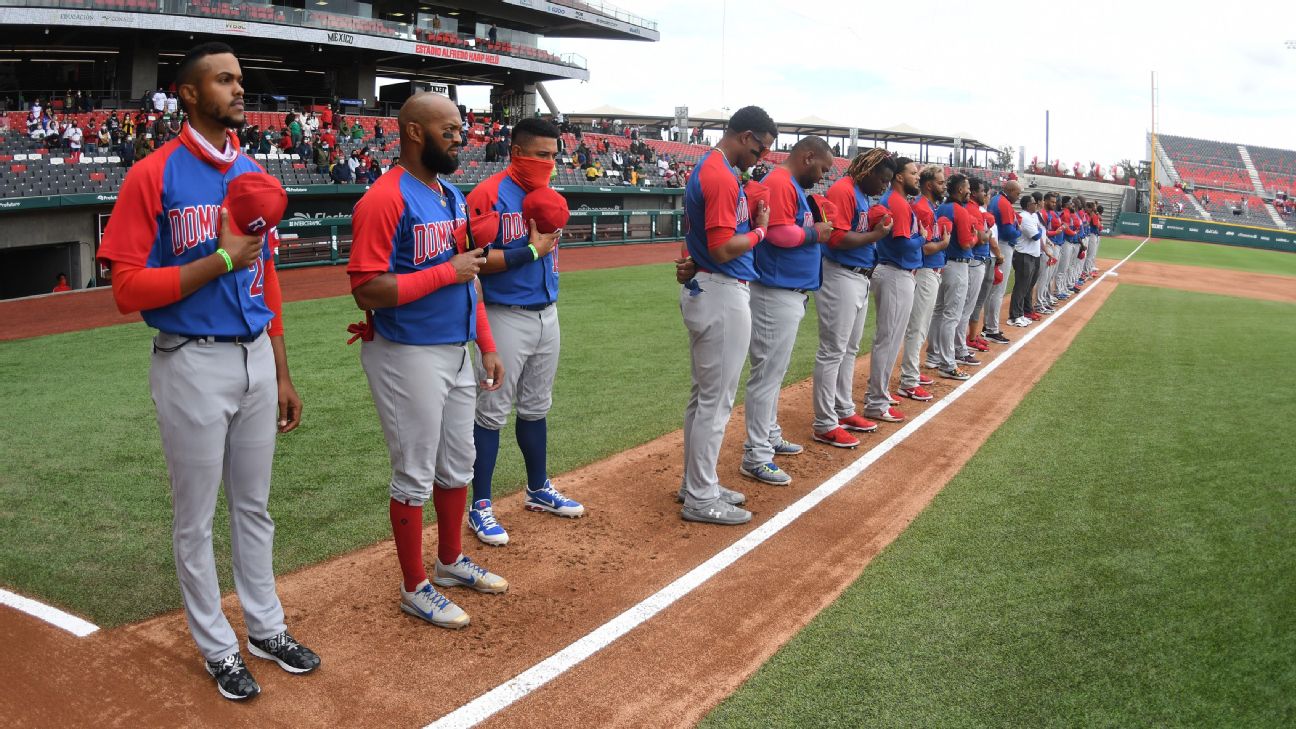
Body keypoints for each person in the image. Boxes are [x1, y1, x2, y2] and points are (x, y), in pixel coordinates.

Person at [96, 42, 319, 702]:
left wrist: (281, 369)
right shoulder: (153, 174)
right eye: (224, 80)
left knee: (254, 506)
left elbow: (267, 276)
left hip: (253, 354)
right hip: (189, 359)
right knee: (195, 518)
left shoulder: (251, 169)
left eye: (240, 79)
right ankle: (218, 645)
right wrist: (220, 259)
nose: (238, 89)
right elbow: (127, 289)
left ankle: (265, 627)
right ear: (189, 94)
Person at [346, 92, 509, 632]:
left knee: (457, 462)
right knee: (414, 472)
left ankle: (449, 561)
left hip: (456, 348)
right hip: (405, 352)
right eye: (451, 129)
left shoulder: (452, 195)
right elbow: (367, 290)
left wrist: (485, 343)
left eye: (461, 129)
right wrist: (448, 271)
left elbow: (471, 279)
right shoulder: (383, 199)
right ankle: (414, 586)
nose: (461, 137)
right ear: (414, 133)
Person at [465, 117, 581, 546]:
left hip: (546, 310)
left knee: (536, 406)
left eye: (554, 156)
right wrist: (530, 250)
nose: (549, 163)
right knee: (490, 412)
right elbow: (474, 259)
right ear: (517, 153)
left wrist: (538, 254)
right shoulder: (489, 194)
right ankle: (480, 506)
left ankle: (537, 488)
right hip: (503, 313)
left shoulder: (550, 196)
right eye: (540, 155)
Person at [675, 105, 776, 525]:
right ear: (745, 135)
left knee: (705, 398)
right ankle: (700, 497)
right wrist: (760, 231)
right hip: (720, 290)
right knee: (715, 402)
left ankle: (697, 484)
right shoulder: (717, 174)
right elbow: (720, 248)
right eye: (761, 149)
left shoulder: (714, 169)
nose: (762, 158)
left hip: (711, 287)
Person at [737, 136, 835, 486]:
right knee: (766, 374)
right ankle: (756, 455)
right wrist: (815, 233)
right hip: (773, 290)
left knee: (774, 372)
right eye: (822, 168)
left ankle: (769, 435)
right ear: (808, 157)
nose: (822, 177)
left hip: (786, 290)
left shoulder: (788, 183)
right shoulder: (780, 182)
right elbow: (777, 234)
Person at [811, 149, 895, 447]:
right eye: (882, 180)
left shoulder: (859, 193)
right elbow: (837, 238)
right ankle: (824, 422)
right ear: (867, 171)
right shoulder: (843, 190)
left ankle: (843, 409)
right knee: (833, 349)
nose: (884, 187)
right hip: (839, 273)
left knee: (849, 348)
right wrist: (876, 236)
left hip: (858, 276)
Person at [862, 158, 923, 422]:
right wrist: (923, 237)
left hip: (894, 272)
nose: (917, 177)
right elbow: (902, 245)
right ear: (899, 177)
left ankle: (879, 395)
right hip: (896, 272)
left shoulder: (897, 201)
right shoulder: (897, 202)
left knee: (889, 339)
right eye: (912, 173)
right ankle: (877, 401)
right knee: (888, 340)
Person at [897, 164, 950, 402]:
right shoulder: (922, 208)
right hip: (925, 270)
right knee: (916, 327)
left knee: (922, 326)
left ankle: (913, 373)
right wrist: (943, 244)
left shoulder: (929, 206)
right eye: (940, 182)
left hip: (931, 271)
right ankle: (908, 380)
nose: (943, 186)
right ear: (929, 185)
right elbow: (925, 246)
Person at [926, 173, 976, 382]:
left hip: (943, 263)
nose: (969, 191)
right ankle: (948, 364)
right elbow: (966, 243)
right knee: (951, 315)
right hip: (957, 265)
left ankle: (933, 356)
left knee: (939, 312)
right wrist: (976, 236)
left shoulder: (943, 207)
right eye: (966, 188)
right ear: (959, 189)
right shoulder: (959, 210)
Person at [951, 179, 992, 368]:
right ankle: (959, 349)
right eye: (982, 191)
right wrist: (985, 234)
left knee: (960, 309)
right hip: (972, 260)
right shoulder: (972, 209)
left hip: (971, 260)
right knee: (964, 309)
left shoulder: (970, 208)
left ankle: (955, 348)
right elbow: (982, 238)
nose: (984, 194)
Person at [981, 180, 1022, 344]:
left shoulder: (1000, 200)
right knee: (997, 290)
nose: (1018, 197)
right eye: (1017, 193)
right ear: (1010, 190)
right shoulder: (1003, 203)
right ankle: (992, 329)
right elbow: (1008, 231)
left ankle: (989, 326)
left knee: (993, 290)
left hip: (998, 245)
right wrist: (1018, 230)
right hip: (1002, 245)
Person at [1007, 194, 1044, 327]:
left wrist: (1039, 230)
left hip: (1031, 255)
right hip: (1024, 255)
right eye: (1034, 203)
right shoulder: (1025, 217)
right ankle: (1014, 316)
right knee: (1021, 286)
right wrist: (1039, 230)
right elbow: (1036, 236)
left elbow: (1039, 232)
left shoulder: (1032, 216)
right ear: (1028, 205)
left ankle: (1020, 313)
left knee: (1026, 286)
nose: (1036, 204)